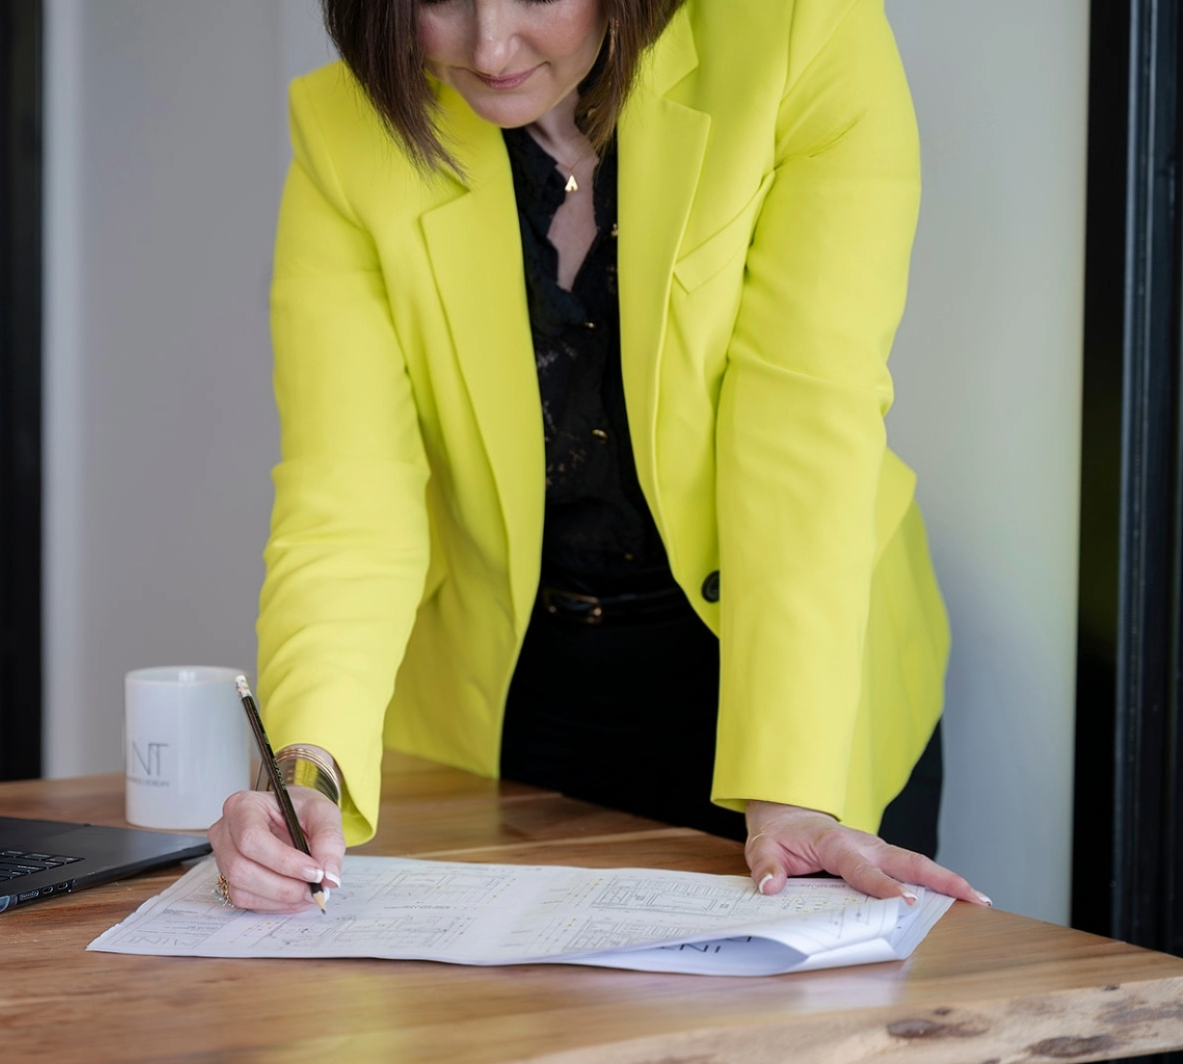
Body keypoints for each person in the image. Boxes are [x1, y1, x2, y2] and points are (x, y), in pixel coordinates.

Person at [208, 0, 992, 915]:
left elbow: (806, 427)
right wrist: (307, 774)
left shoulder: (799, 39)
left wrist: (793, 790)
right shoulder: (349, 128)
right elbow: (348, 496)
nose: (491, 45)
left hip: (788, 671)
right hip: (511, 699)